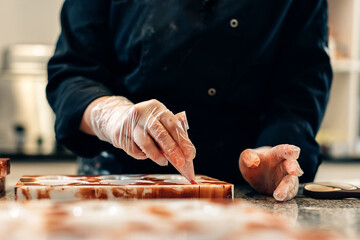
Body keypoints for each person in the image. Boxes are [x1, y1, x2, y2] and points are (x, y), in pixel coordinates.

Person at [47, 0, 332, 201]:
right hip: (117, 183)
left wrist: (273, 153)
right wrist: (111, 115)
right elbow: (72, 72)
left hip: (241, 187)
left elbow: (300, 84)